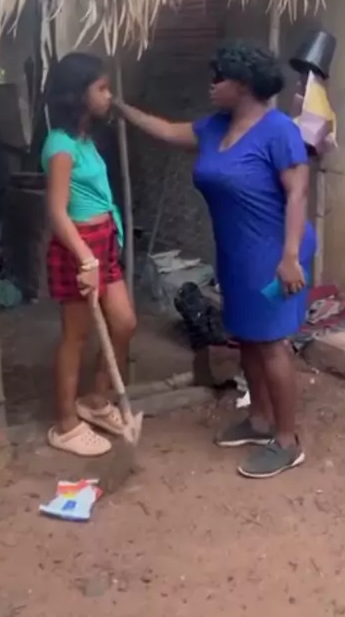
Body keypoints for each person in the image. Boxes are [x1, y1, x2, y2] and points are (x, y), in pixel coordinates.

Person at [115, 39, 316, 479]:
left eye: (219, 77)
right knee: (246, 337)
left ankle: (287, 441)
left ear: (242, 84)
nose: (211, 84)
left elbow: (298, 193)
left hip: (276, 250)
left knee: (271, 342)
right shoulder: (214, 127)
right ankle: (259, 420)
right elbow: (167, 131)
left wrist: (289, 257)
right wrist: (121, 108)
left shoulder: (278, 130)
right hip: (236, 251)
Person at [42, 52, 136, 457]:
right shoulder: (60, 145)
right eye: (101, 88)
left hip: (102, 242)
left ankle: (96, 401)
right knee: (76, 336)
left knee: (125, 323)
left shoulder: (84, 140)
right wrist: (86, 258)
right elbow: (56, 211)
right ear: (78, 94)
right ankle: (65, 424)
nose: (108, 95)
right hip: (78, 246)